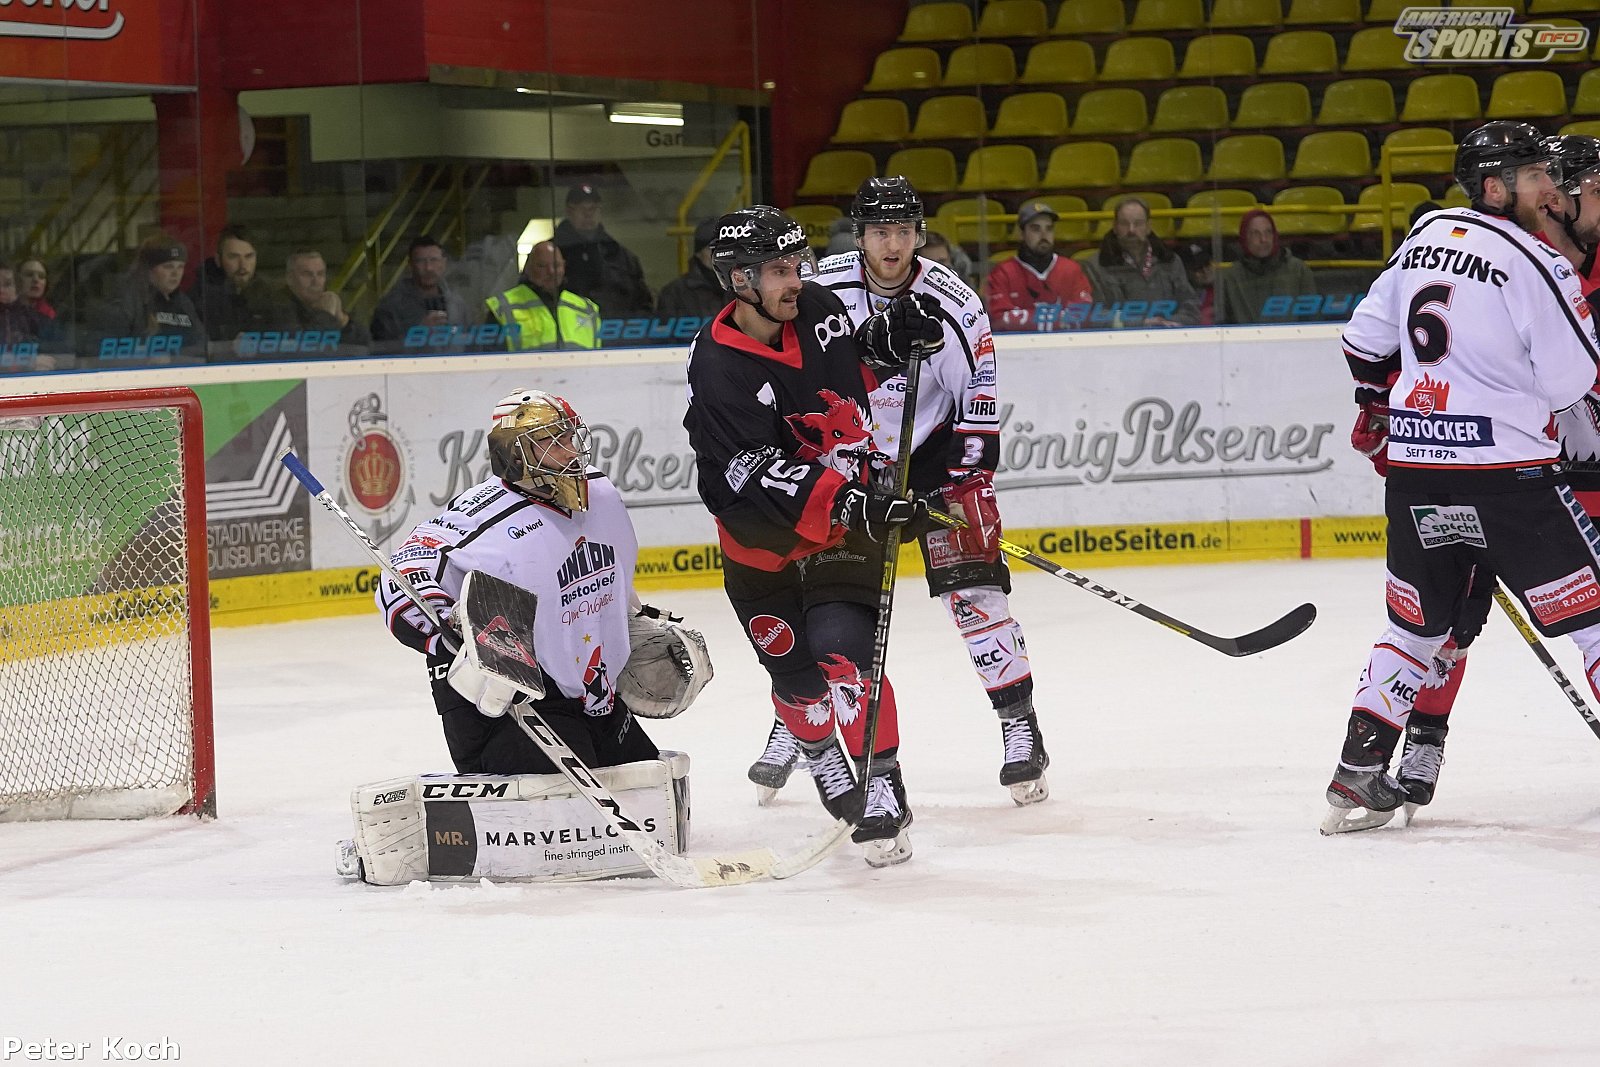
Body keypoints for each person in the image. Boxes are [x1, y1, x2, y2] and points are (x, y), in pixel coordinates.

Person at [1323, 120, 1600, 834]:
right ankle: (1409, 751)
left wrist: (1382, 406)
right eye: (1534, 176)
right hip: (1511, 479)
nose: (1548, 190)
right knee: (1597, 624)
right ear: (1496, 187)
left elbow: (1362, 343)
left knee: (1413, 630)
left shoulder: (1424, 235)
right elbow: (1571, 380)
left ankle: (1357, 773)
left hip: (1419, 474)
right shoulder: (1536, 260)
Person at [749, 176, 1051, 809]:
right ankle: (798, 720)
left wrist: (970, 487)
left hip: (932, 460)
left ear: (920, 234)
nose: (893, 245)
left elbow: (978, 406)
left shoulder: (956, 303)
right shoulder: (820, 289)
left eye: (904, 231)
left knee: (975, 593)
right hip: (850, 466)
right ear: (859, 236)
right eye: (880, 231)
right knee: (823, 609)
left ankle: (1018, 724)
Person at [682, 204, 941, 866]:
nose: (796, 280)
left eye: (796, 264)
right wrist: (852, 500)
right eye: (778, 270)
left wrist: (892, 339)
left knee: (843, 656)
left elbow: (851, 364)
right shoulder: (717, 365)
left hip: (840, 533)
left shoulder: (818, 307)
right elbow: (753, 472)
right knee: (796, 680)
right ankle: (820, 750)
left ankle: (880, 781)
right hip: (760, 543)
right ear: (739, 280)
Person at [377, 391, 663, 776]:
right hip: (519, 702)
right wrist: (452, 627)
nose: (570, 451)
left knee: (650, 783)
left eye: (570, 436)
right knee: (563, 806)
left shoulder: (602, 494)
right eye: (553, 442)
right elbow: (401, 578)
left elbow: (609, 575)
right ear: (514, 454)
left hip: (594, 693)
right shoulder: (481, 516)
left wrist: (636, 618)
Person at [87, 234, 206, 358]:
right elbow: (105, 349)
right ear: (149, 269)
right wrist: (146, 357)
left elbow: (202, 343)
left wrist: (175, 356)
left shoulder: (183, 302)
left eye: (180, 267)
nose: (175, 274)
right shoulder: (126, 300)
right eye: (168, 267)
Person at [1085, 197, 1200, 327]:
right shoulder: (1094, 266)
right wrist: (1141, 323)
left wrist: (1167, 324)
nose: (1131, 230)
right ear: (1115, 227)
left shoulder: (1170, 261)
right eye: (1124, 223)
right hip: (1119, 338)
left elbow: (1190, 306)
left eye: (1138, 223)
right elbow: (1093, 315)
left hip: (1167, 335)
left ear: (1148, 227)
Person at [984, 201, 1095, 332]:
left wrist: (1026, 318)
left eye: (1049, 229)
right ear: (1021, 234)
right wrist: (1057, 319)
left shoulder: (1071, 269)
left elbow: (1083, 315)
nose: (1044, 235)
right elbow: (998, 319)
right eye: (1035, 229)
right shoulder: (1003, 273)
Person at [553, 184, 653, 321]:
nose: (588, 214)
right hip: (565, 332)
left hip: (615, 331)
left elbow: (643, 305)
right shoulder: (549, 257)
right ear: (569, 211)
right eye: (582, 209)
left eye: (593, 208)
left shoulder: (621, 257)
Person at [486, 240, 601, 351]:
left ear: (564, 267)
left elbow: (603, 356)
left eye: (556, 265)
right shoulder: (504, 306)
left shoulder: (587, 308)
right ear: (528, 268)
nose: (551, 271)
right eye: (542, 266)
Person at [1214, 210, 1317, 324]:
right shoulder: (1230, 277)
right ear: (1244, 238)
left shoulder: (1298, 270)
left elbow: (1312, 318)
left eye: (1268, 232)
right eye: (1255, 233)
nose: (1263, 239)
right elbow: (1222, 324)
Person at [370, 235, 470, 350]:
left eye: (434, 260)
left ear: (443, 263)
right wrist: (419, 334)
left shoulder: (456, 303)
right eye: (420, 261)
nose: (428, 268)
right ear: (410, 265)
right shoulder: (390, 307)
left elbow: (471, 343)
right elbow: (378, 350)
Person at [193, 224, 278, 343]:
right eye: (233, 257)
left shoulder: (271, 294)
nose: (243, 265)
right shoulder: (200, 297)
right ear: (218, 259)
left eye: (249, 256)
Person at [276, 249, 371, 349]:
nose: (315, 281)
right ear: (290, 279)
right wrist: (326, 314)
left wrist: (342, 319)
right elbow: (304, 347)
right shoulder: (277, 307)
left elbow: (364, 343)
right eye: (307, 274)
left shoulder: (322, 302)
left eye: (320, 274)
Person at [655, 218, 726, 323]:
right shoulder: (675, 294)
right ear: (698, 253)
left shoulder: (744, 289)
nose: (718, 255)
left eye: (723, 248)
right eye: (711, 249)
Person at [1176, 241, 1215, 326]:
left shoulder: (1225, 290)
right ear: (1186, 272)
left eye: (1207, 264)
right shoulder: (1182, 297)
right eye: (1198, 268)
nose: (1205, 271)